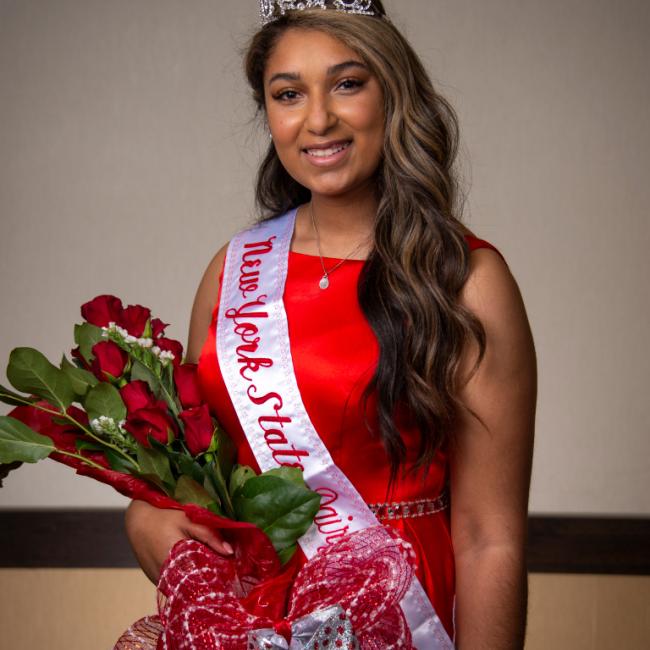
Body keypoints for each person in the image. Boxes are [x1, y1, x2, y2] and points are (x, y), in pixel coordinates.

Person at [124, 2, 536, 648]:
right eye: (288, 94)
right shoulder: (232, 273)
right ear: (269, 112)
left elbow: (492, 539)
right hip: (258, 619)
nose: (318, 119)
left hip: (403, 616)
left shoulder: (466, 282)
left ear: (391, 90)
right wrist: (147, 516)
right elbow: (199, 476)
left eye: (347, 83)